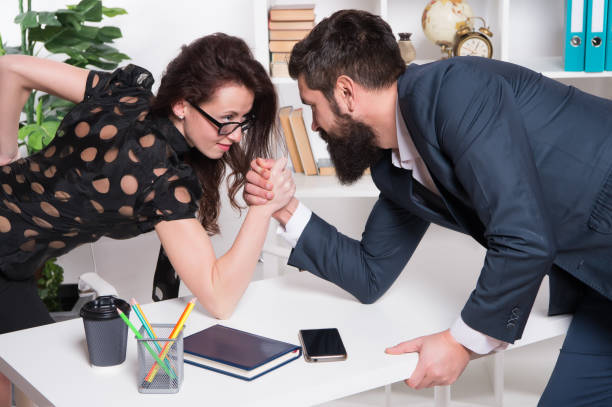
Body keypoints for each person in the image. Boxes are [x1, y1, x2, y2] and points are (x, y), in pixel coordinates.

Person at [245, 9, 612, 406]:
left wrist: (462, 342)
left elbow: (523, 237)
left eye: (312, 106)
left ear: (346, 93)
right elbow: (370, 273)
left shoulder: (458, 91)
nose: (313, 125)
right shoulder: (394, 166)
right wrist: (285, 209)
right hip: (596, 278)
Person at [0, 33, 294, 405]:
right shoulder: (159, 179)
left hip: (13, 266)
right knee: (39, 381)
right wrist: (264, 209)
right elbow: (219, 297)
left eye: (242, 121)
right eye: (225, 120)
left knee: (23, 377)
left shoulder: (125, 96)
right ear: (183, 105)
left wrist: (5, 154)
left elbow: (10, 68)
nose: (235, 136)